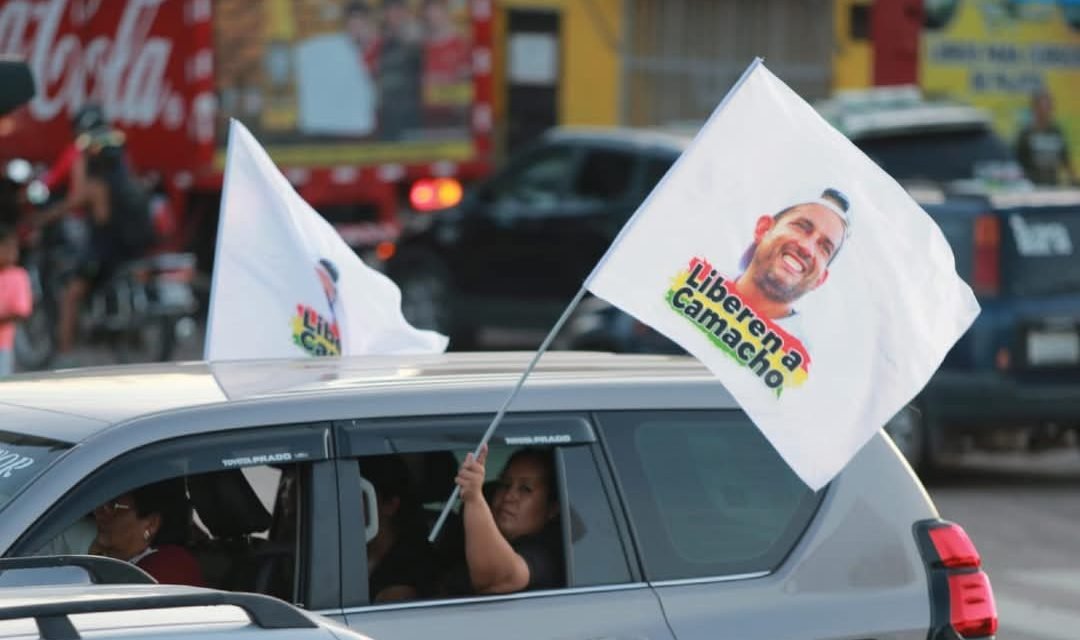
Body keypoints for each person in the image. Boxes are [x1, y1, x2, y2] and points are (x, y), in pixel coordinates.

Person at [38, 104, 155, 360]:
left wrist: (43, 217)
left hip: (105, 251)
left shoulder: (94, 180)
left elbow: (78, 203)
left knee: (71, 295)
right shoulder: (124, 169)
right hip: (133, 248)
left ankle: (65, 357)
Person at [445, 445, 563, 595]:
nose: (508, 496)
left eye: (525, 489)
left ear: (552, 508)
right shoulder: (460, 539)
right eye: (505, 484)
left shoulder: (547, 551)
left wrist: (474, 499)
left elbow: (497, 578)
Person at [734, 188, 851, 328]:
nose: (807, 248)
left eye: (825, 248)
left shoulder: (793, 349)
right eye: (801, 226)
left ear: (820, 279)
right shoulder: (701, 281)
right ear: (763, 229)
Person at [90, 478, 205, 586]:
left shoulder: (168, 567)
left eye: (113, 506)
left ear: (151, 524)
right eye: (101, 503)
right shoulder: (124, 564)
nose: (98, 513)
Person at [361, 455, 436, 602]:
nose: (340, 503)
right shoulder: (346, 556)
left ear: (390, 505)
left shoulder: (405, 578)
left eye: (356, 494)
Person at [377, 0, 423, 140]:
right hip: (386, 112)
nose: (393, 15)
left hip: (411, 110)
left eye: (397, 10)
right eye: (390, 11)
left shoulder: (416, 37)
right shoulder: (381, 40)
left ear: (405, 13)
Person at [421, 0, 470, 128]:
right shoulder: (422, 46)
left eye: (436, 10)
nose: (433, 16)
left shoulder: (461, 45)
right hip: (427, 117)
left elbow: (465, 83)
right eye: (429, 11)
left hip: (453, 118)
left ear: (445, 11)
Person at [1016, 88, 1077, 186]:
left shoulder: (1056, 132)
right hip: (1031, 186)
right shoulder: (1026, 134)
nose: (1046, 110)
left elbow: (1065, 159)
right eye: (1043, 106)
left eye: (1049, 106)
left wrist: (1074, 179)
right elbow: (1017, 163)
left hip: (1053, 184)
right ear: (1034, 108)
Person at [0, 224, 31, 376]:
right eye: (6, 247)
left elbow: (21, 311)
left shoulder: (18, 276)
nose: (12, 252)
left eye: (14, 247)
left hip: (3, 344)